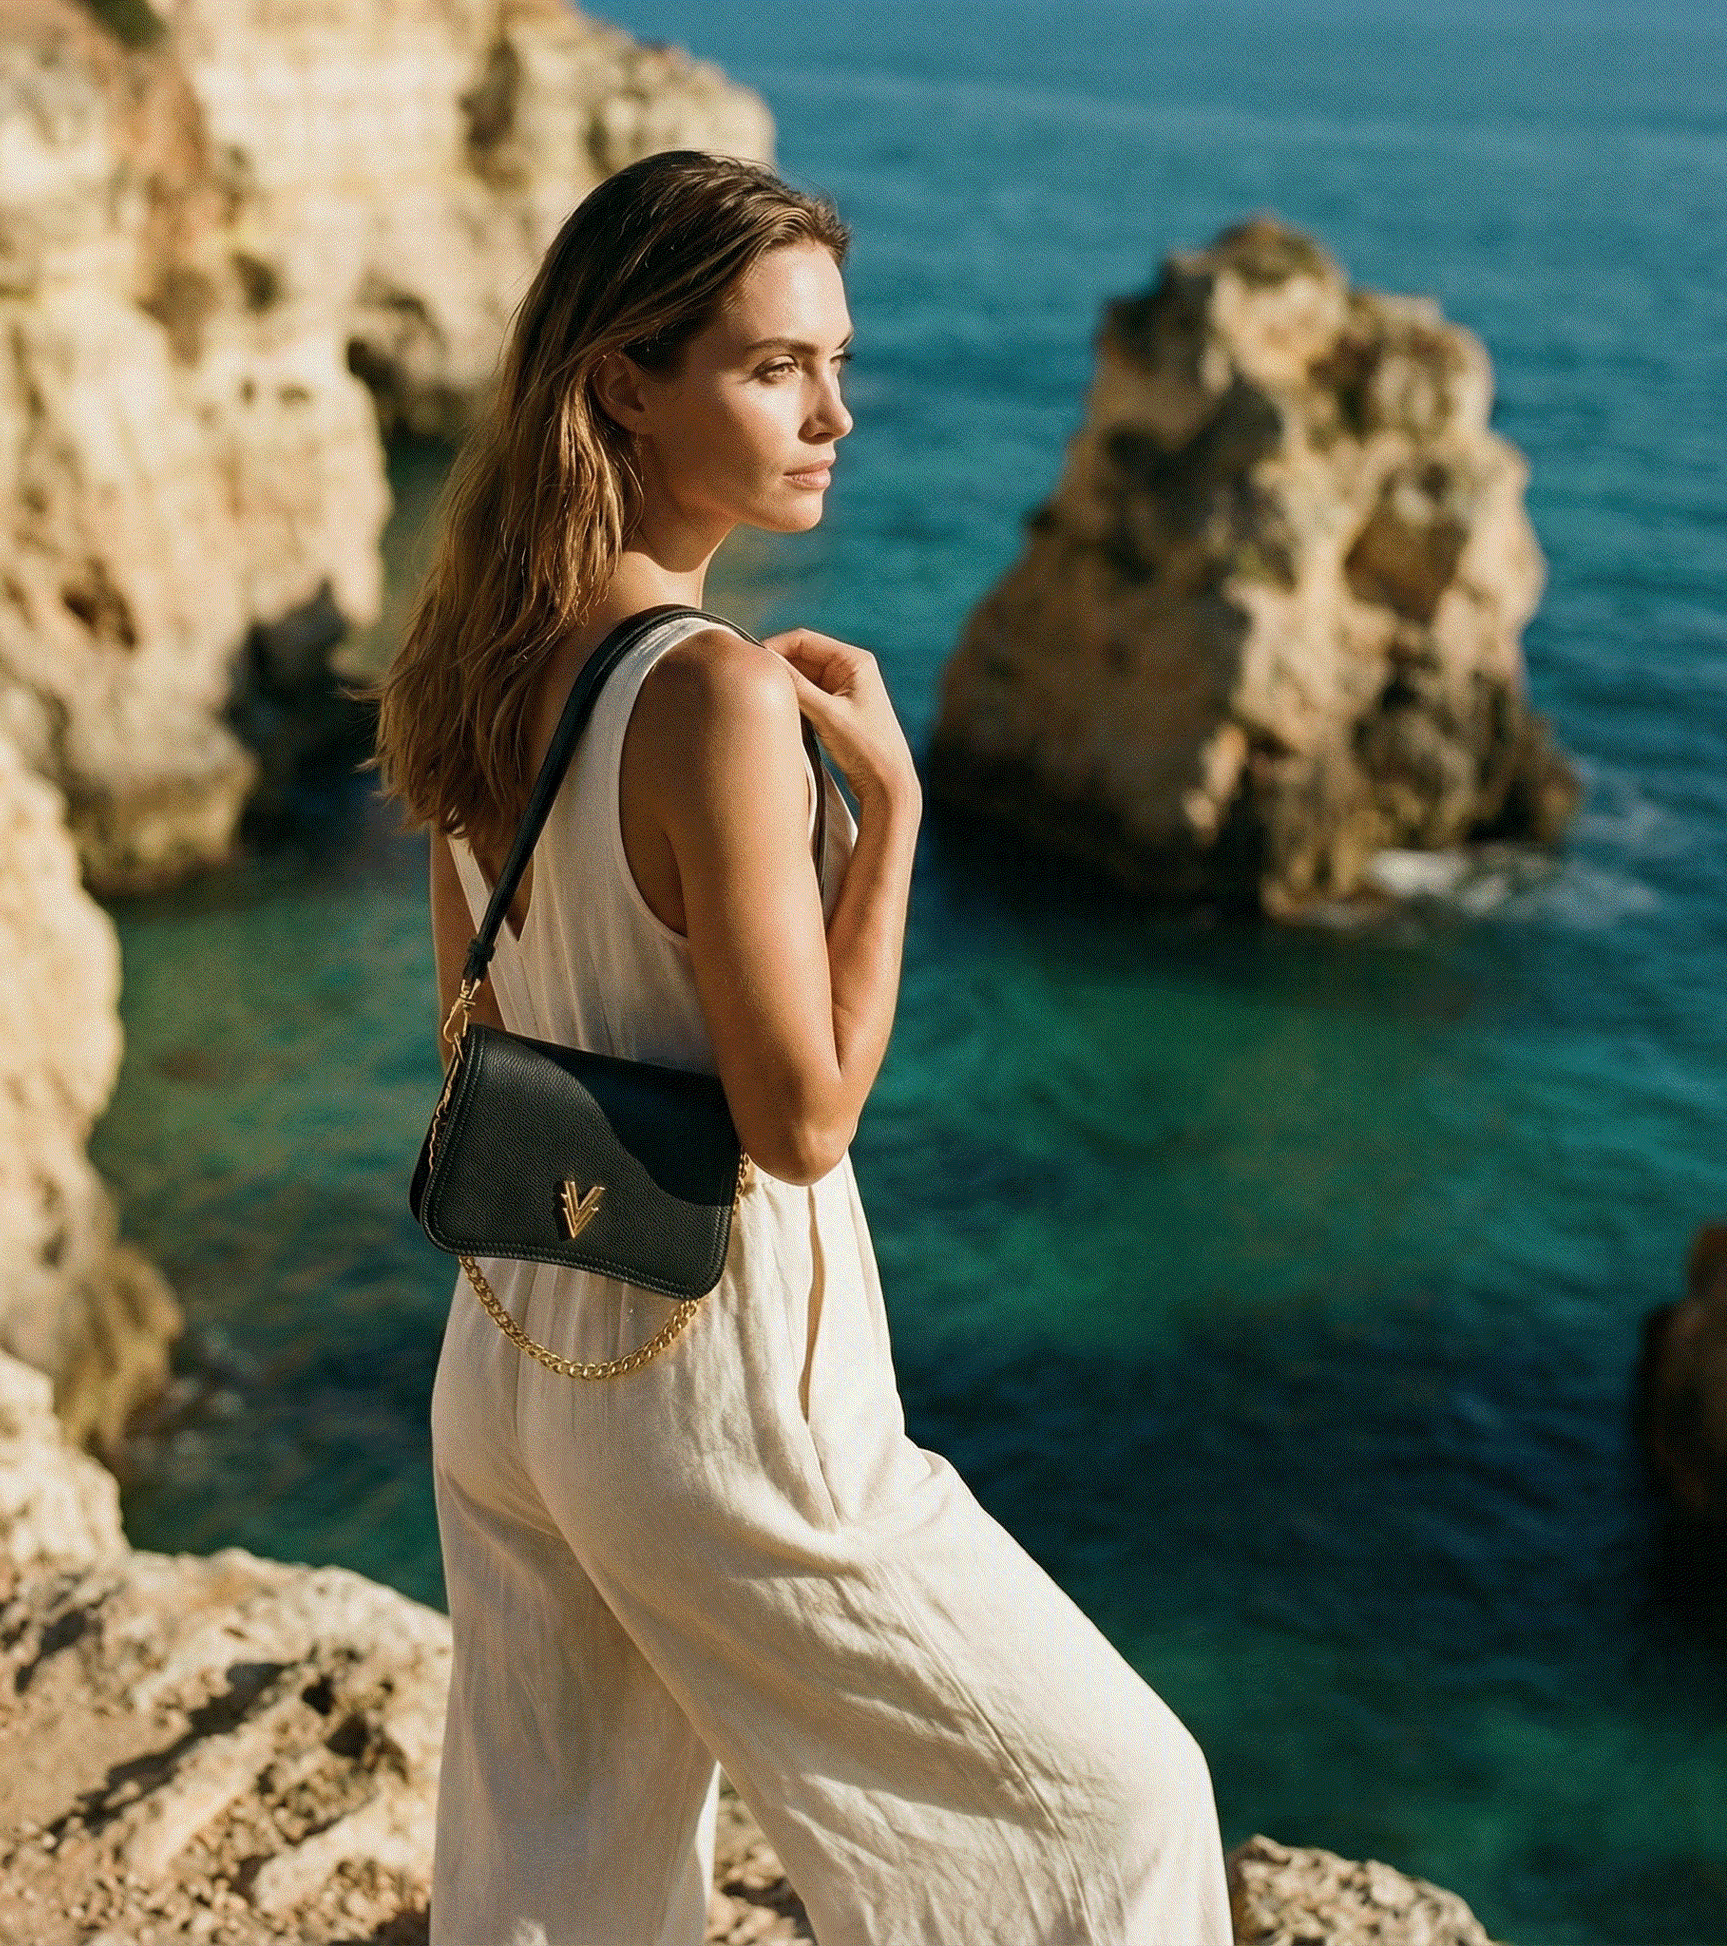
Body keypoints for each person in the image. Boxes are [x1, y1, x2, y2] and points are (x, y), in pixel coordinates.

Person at [364, 148, 1232, 1946]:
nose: (836, 412)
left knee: (557, 1879)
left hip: (516, 1359)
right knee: (1122, 1806)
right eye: (775, 369)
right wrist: (895, 817)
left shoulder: (477, 658)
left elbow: (481, 1029)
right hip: (715, 1387)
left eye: (836, 361)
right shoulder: (713, 695)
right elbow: (803, 1115)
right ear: (623, 380)